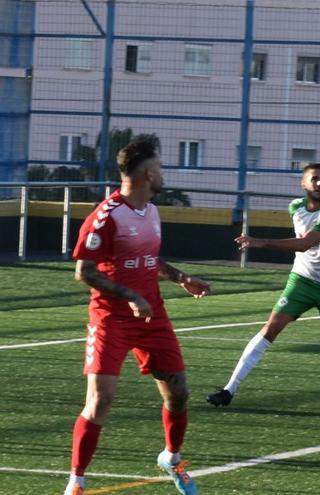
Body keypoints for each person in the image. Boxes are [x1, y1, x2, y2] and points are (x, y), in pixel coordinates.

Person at [66, 140, 210, 495]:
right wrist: (130, 296)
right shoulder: (106, 215)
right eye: (159, 169)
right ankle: (77, 482)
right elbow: (84, 271)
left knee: (178, 393)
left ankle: (172, 459)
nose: (162, 175)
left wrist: (181, 279)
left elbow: (149, 261)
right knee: (101, 399)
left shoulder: (152, 211)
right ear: (148, 174)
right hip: (110, 318)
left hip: (152, 316)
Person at [206, 163, 320, 413]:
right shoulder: (295, 207)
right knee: (269, 330)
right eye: (314, 179)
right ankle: (229, 390)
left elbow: (305, 243)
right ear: (303, 184)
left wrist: (261, 242)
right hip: (302, 280)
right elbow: (303, 244)